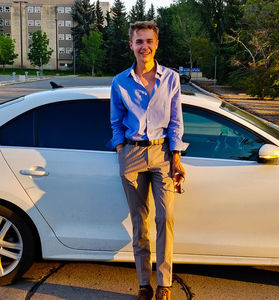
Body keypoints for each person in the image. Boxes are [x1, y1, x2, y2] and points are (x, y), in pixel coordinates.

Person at [110, 20, 187, 300]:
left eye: (149, 41)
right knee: (140, 222)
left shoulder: (171, 79)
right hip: (131, 155)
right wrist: (121, 149)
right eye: (139, 41)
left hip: (162, 153)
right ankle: (144, 284)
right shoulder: (120, 82)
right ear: (131, 45)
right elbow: (116, 122)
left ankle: (164, 283)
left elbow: (176, 121)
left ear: (156, 44)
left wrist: (176, 158)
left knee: (165, 218)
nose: (144, 46)